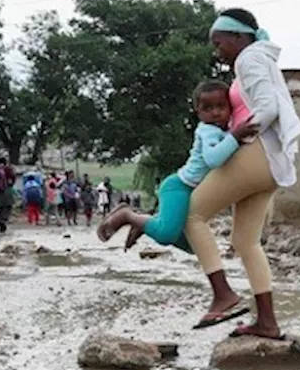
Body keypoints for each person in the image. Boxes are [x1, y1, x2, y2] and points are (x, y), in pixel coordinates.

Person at [187, 8, 300, 336]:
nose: (217, 50)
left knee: (192, 214)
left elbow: (266, 107)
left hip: (257, 154)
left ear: (239, 37)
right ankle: (267, 322)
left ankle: (223, 296)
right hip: (271, 162)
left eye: (219, 42)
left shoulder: (248, 59)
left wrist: (242, 136)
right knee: (245, 240)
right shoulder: (259, 58)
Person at [98, 80, 250, 255]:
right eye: (208, 109)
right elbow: (213, 160)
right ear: (198, 113)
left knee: (195, 247)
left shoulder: (225, 131)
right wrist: (236, 136)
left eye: (221, 107)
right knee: (166, 234)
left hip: (194, 193)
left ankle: (146, 223)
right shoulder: (208, 130)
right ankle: (127, 215)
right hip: (180, 188)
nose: (215, 113)